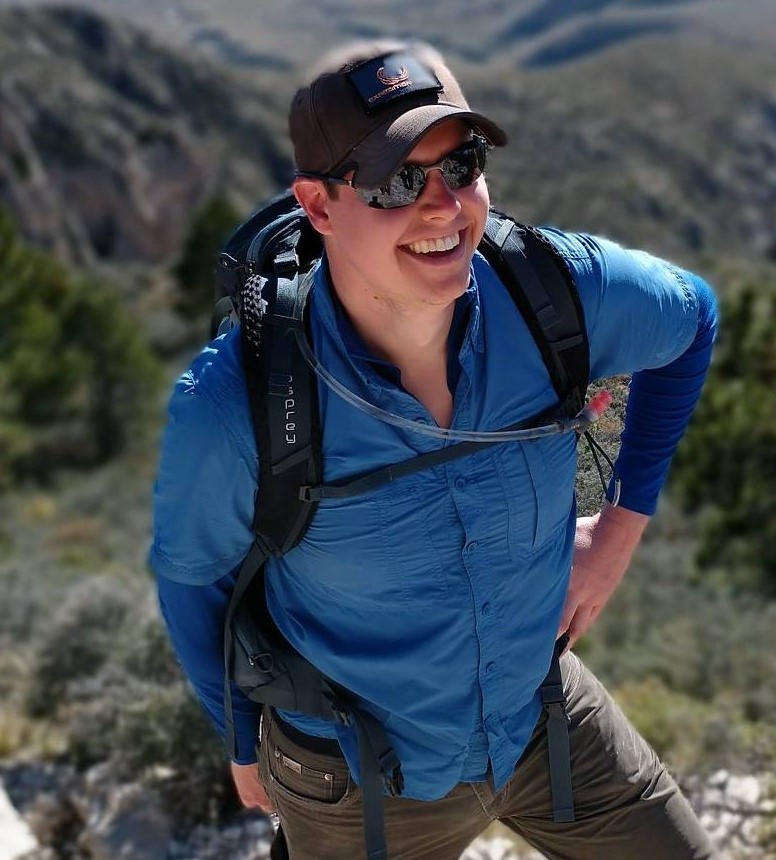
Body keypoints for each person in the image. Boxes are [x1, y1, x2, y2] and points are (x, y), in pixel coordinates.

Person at [150, 38, 717, 860]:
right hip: (358, 780)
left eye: (462, 165)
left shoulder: (557, 295)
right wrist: (241, 739)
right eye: (394, 181)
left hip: (540, 720)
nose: (443, 206)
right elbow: (191, 576)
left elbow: (691, 318)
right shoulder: (232, 404)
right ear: (317, 204)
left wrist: (617, 534)